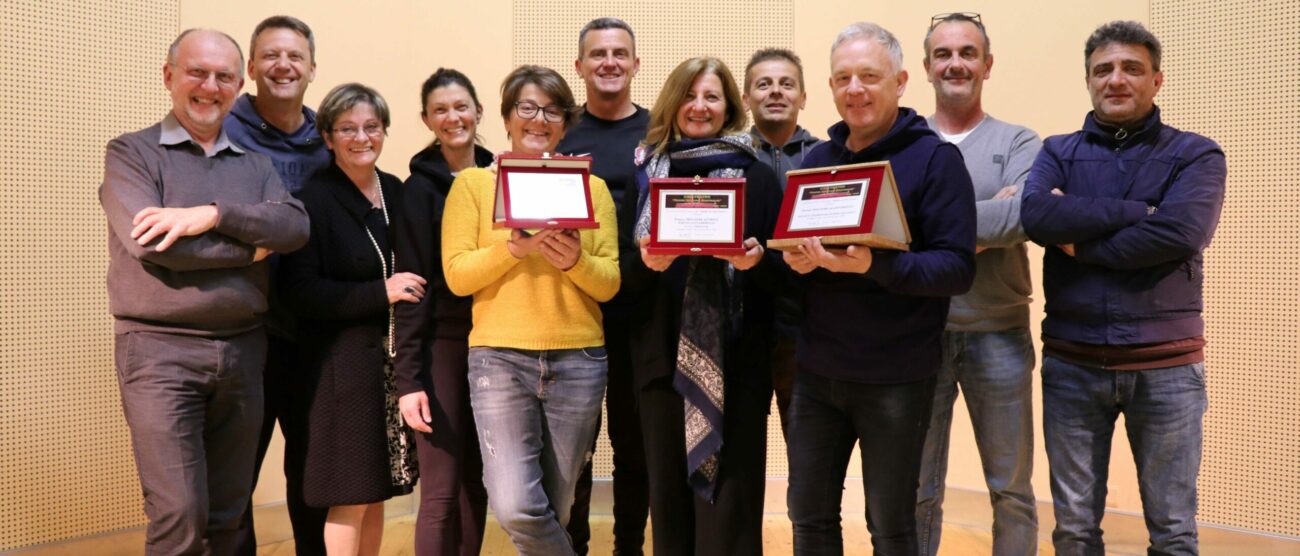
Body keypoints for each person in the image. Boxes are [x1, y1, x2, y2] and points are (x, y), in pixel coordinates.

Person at [99, 28, 309, 555]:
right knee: (180, 515)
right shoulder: (132, 154)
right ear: (169, 77)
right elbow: (154, 246)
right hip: (159, 352)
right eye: (197, 72)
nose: (209, 86)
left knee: (229, 514)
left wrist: (211, 215)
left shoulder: (256, 165)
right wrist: (249, 250)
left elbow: (293, 229)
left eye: (223, 77)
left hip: (243, 351)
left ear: (239, 85)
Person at [1020, 20, 1225, 555]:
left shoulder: (1198, 154)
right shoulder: (1058, 150)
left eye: (1131, 68)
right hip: (1072, 364)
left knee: (1174, 531)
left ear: (1156, 80)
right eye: (1103, 69)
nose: (1116, 79)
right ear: (1088, 81)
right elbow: (1038, 214)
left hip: (1168, 370)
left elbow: (1181, 232)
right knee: (1074, 530)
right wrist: (1141, 213)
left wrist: (1081, 242)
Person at [782, 22, 975, 555]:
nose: (855, 89)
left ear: (900, 81)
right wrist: (795, 264)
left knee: (890, 525)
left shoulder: (935, 160)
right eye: (843, 78)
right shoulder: (816, 162)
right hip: (818, 374)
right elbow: (798, 260)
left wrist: (874, 266)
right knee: (809, 518)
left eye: (869, 76)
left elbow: (956, 269)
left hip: (896, 377)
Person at [441, 65, 619, 556]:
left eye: (552, 110)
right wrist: (514, 251)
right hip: (498, 359)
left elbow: (608, 285)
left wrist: (575, 261)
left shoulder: (593, 189)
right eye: (527, 108)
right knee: (518, 506)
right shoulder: (474, 186)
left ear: (565, 123)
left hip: (579, 359)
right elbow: (457, 275)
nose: (538, 119)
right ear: (506, 118)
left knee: (554, 510)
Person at [628, 56, 784, 555]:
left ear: (729, 107)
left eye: (712, 97)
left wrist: (756, 261)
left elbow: (788, 276)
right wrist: (647, 264)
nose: (699, 107)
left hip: (737, 365)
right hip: (659, 362)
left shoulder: (758, 177)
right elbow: (621, 276)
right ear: (672, 104)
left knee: (731, 507)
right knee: (669, 504)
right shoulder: (644, 173)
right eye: (689, 96)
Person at [913, 12, 1041, 556]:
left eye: (967, 53)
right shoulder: (907, 140)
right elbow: (885, 229)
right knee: (917, 490)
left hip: (1000, 337)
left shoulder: (1021, 141)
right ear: (926, 67)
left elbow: (1025, 219)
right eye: (943, 54)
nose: (955, 63)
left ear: (987, 65)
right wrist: (987, 217)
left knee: (1010, 489)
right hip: (917, 335)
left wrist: (930, 226)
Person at [279, 83, 422, 556]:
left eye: (371, 127)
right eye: (347, 129)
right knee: (350, 495)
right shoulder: (311, 200)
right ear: (327, 136)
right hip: (339, 373)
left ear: (384, 131)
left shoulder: (396, 190)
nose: (361, 137)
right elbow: (301, 293)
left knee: (377, 491)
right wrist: (380, 292)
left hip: (388, 366)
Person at [222, 15, 331, 554]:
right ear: (250, 67)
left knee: (312, 472)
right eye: (270, 55)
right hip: (242, 331)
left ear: (313, 67)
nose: (283, 65)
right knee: (235, 475)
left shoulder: (328, 139)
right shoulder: (223, 130)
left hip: (312, 335)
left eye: (295, 56)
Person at [556, 17, 651, 555]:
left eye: (619, 53)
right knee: (577, 447)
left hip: (643, 309)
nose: (609, 62)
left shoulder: (661, 131)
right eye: (597, 54)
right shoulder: (562, 133)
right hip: (575, 310)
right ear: (580, 66)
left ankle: (630, 547)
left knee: (634, 445)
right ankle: (575, 546)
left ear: (636, 65)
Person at [393, 68, 494, 556]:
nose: (453, 118)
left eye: (461, 107)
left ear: (479, 110)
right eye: (441, 110)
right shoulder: (418, 189)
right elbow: (412, 289)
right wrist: (408, 378)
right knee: (440, 491)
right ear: (426, 120)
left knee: (478, 484)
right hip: (444, 347)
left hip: (498, 342)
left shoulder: (506, 176)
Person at [741, 46, 823, 436]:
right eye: (764, 84)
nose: (776, 92)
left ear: (803, 97)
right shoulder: (728, 159)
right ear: (745, 99)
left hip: (806, 327)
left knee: (808, 449)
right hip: (743, 326)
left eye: (787, 84)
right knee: (743, 450)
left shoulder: (827, 158)